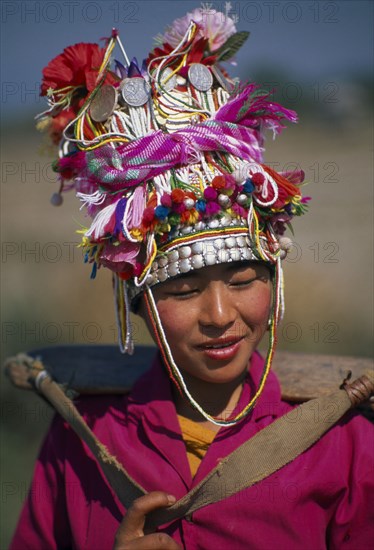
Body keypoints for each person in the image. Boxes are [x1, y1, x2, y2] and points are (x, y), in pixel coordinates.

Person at [10, 7, 373, 550]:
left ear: (276, 279)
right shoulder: (81, 438)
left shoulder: (346, 443)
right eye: (182, 290)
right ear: (138, 301)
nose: (220, 316)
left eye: (245, 279)